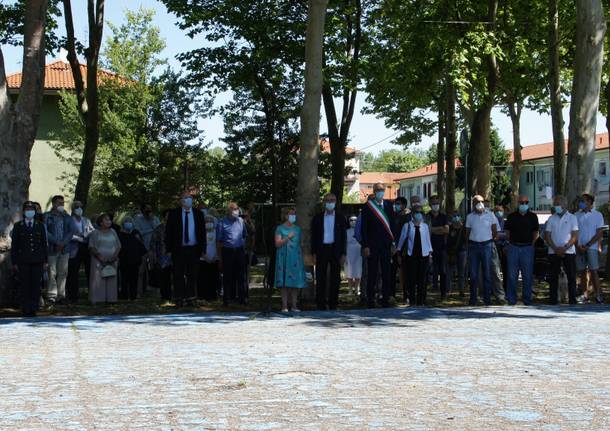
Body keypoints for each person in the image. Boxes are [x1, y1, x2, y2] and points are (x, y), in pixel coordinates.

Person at [166, 190, 206, 307]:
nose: (188, 200)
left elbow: (202, 233)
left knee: (192, 274)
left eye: (189, 197)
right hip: (178, 249)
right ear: (181, 201)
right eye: (185, 198)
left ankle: (190, 298)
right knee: (178, 274)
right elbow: (168, 233)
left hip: (194, 249)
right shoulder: (174, 214)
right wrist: (168, 250)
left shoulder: (198, 214)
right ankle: (179, 298)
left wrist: (203, 249)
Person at [11, 201, 48, 317]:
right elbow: (14, 246)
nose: (29, 211)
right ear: (23, 211)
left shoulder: (40, 225)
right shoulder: (18, 226)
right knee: (25, 285)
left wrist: (45, 261)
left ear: (35, 211)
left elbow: (44, 244)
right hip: (23, 261)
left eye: (31, 209)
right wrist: (14, 262)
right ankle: (25, 308)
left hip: (37, 260)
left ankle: (34, 308)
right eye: (27, 209)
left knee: (35, 285)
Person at [361, 183, 395, 308]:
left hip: (386, 245)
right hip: (372, 246)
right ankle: (370, 299)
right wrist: (365, 245)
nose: (380, 192)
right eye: (378, 190)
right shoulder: (368, 206)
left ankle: (385, 299)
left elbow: (392, 225)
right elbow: (364, 228)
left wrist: (393, 243)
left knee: (386, 273)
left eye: (382, 190)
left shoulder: (389, 206)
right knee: (372, 273)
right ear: (374, 192)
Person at [311, 193, 347, 310]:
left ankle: (333, 303)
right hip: (322, 250)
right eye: (328, 200)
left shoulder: (341, 217)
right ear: (324, 202)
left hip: (336, 250)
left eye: (332, 200)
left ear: (336, 202)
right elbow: (314, 237)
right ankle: (320, 303)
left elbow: (343, 237)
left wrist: (343, 253)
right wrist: (314, 253)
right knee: (320, 277)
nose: (330, 202)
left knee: (335, 278)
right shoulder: (318, 218)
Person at [504, 196, 539, 305]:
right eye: (521, 202)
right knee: (512, 275)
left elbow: (536, 233)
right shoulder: (511, 216)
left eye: (526, 202)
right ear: (518, 203)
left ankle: (527, 299)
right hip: (513, 247)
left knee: (527, 275)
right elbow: (507, 233)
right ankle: (511, 299)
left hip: (527, 248)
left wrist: (531, 244)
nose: (523, 204)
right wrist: (510, 244)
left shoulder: (533, 216)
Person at [545, 195, 579, 305]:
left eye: (558, 204)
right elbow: (547, 235)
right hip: (553, 252)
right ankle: (553, 300)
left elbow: (575, 235)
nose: (556, 206)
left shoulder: (572, 218)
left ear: (565, 205)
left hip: (568, 251)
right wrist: (555, 248)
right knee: (553, 277)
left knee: (571, 276)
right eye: (555, 204)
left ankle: (572, 300)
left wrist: (565, 248)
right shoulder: (551, 218)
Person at [397, 203, 433, 306]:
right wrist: (399, 253)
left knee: (423, 279)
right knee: (411, 279)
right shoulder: (407, 225)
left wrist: (430, 254)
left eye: (421, 212)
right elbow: (401, 240)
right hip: (411, 255)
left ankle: (422, 301)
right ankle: (412, 300)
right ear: (412, 214)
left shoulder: (425, 226)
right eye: (417, 212)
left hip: (424, 255)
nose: (419, 214)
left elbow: (428, 241)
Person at [465, 195, 498, 306]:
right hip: (473, 246)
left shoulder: (491, 215)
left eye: (481, 201)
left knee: (487, 274)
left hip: (486, 245)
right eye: (477, 201)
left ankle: (487, 299)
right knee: (473, 275)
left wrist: (490, 240)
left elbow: (495, 231)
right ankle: (473, 299)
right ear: (473, 204)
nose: (480, 203)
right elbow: (467, 232)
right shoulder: (470, 217)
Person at [44, 195, 74, 305]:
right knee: (52, 272)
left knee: (63, 272)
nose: (61, 205)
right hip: (52, 248)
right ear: (53, 204)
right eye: (59, 203)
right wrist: (57, 242)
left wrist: (63, 243)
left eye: (62, 203)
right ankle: (52, 296)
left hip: (64, 249)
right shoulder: (47, 216)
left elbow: (71, 231)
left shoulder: (67, 217)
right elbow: (45, 231)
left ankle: (61, 295)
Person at [275, 207, 306, 312]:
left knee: (295, 283)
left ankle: (294, 305)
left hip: (295, 258)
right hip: (284, 257)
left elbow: (300, 244)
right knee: (284, 283)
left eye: (294, 214)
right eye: (291, 214)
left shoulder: (298, 229)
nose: (293, 216)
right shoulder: (280, 228)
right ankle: (284, 306)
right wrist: (288, 237)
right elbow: (277, 244)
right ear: (286, 216)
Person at [217, 202, 248, 306]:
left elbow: (244, 235)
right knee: (227, 277)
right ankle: (226, 300)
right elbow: (219, 241)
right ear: (229, 210)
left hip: (239, 251)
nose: (236, 210)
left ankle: (242, 299)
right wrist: (220, 258)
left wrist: (244, 248)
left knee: (241, 276)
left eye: (237, 208)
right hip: (227, 251)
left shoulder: (240, 221)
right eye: (234, 209)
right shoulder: (222, 222)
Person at [575, 193, 604, 304]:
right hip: (579, 247)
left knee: (594, 271)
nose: (581, 203)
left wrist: (588, 245)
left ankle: (598, 295)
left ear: (590, 202)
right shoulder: (576, 215)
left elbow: (599, 233)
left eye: (583, 200)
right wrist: (578, 245)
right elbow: (575, 232)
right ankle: (585, 295)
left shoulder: (598, 215)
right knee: (582, 272)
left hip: (592, 248)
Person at [88, 214, 121, 304]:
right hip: (98, 260)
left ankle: (111, 299)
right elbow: (91, 247)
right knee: (98, 279)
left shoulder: (113, 231)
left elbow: (118, 245)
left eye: (109, 220)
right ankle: (97, 300)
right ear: (101, 222)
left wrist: (114, 256)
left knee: (111, 278)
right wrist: (100, 257)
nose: (109, 221)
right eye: (106, 220)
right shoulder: (95, 233)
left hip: (112, 260)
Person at [66, 201, 94, 304]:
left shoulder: (86, 220)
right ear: (73, 209)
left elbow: (92, 231)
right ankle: (73, 297)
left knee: (89, 271)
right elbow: (68, 235)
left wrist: (87, 234)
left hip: (86, 248)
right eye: (77, 207)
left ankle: (92, 295)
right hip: (74, 248)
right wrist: (79, 237)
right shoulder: (68, 220)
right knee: (73, 273)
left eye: (81, 207)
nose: (79, 209)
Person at [118, 217, 148, 301]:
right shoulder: (119, 235)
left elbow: (142, 249)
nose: (128, 223)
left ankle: (133, 296)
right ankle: (124, 296)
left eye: (130, 221)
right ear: (123, 223)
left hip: (135, 261)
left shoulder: (136, 234)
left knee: (134, 280)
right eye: (126, 221)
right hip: (124, 261)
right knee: (124, 279)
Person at [427, 195, 449, 300]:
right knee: (429, 271)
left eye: (437, 203)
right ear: (430, 205)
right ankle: (428, 291)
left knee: (443, 271)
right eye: (434, 203)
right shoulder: (427, 217)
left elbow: (446, 230)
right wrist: (440, 229)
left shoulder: (443, 216)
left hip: (442, 247)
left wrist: (433, 229)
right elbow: (427, 231)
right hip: (429, 247)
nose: (436, 205)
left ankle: (443, 293)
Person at [150, 209, 172, 302]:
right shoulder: (159, 228)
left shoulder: (177, 228)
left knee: (174, 277)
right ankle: (164, 296)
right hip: (162, 257)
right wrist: (154, 257)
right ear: (164, 217)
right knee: (164, 277)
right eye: (167, 215)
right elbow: (153, 243)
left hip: (174, 256)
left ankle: (174, 295)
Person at [198, 214, 221, 301]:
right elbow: (199, 246)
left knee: (213, 278)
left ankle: (213, 296)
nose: (208, 223)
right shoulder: (201, 233)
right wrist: (204, 257)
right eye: (206, 221)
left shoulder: (216, 232)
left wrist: (216, 257)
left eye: (210, 221)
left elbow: (218, 245)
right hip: (203, 259)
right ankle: (202, 296)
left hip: (214, 259)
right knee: (203, 278)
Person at [391, 197, 409, 299]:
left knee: (405, 273)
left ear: (404, 205)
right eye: (395, 203)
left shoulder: (408, 217)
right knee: (392, 273)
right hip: (393, 249)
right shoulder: (393, 217)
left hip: (404, 250)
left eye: (398, 204)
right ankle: (391, 295)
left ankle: (406, 295)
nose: (396, 205)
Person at [447, 212, 467, 297]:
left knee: (461, 273)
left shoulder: (464, 228)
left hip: (462, 251)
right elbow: (446, 240)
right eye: (454, 216)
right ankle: (448, 290)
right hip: (451, 252)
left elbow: (466, 240)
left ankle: (461, 290)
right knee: (449, 272)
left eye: (458, 216)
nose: (456, 218)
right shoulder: (449, 228)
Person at [345, 215, 362, 296]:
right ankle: (350, 289)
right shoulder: (346, 231)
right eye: (351, 220)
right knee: (349, 271)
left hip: (358, 253)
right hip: (349, 253)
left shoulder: (361, 231)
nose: (353, 222)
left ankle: (357, 288)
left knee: (358, 271)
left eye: (355, 220)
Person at [242, 208, 256, 301]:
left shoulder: (251, 224)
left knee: (247, 273)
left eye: (248, 215)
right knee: (241, 273)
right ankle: (242, 293)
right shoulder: (240, 223)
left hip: (248, 250)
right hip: (241, 250)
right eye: (245, 215)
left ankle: (246, 293)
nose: (246, 217)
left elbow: (253, 234)